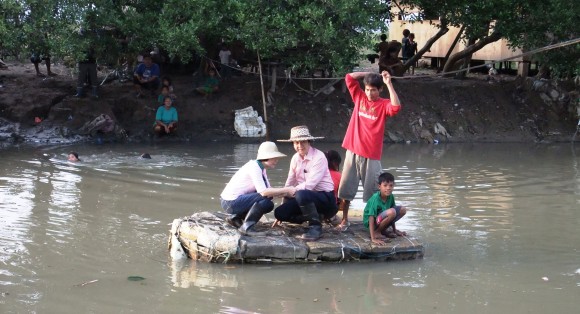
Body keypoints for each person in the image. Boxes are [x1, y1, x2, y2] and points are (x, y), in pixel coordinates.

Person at [336, 70, 401, 232]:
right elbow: (349, 77)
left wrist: (388, 82)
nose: (370, 93)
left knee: (374, 192)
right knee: (345, 190)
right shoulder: (359, 97)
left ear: (380, 90)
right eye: (367, 89)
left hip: (371, 155)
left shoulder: (383, 104)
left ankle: (379, 225)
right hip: (352, 150)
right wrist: (371, 73)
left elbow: (396, 107)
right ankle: (344, 220)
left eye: (373, 90)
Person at [274, 125, 338, 241]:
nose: (299, 146)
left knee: (301, 194)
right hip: (305, 198)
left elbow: (310, 185)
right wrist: (284, 201)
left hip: (325, 199)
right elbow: (290, 182)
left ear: (309, 142)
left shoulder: (319, 157)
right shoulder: (295, 158)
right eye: (296, 143)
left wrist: (289, 191)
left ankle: (315, 227)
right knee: (280, 213)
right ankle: (315, 217)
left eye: (303, 142)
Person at [220, 142, 294, 236]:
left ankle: (235, 218)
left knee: (268, 200)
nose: (276, 160)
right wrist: (286, 189)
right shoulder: (254, 167)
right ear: (266, 157)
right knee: (267, 202)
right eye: (274, 158)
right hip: (230, 202)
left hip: (231, 201)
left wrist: (286, 193)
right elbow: (264, 192)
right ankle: (246, 227)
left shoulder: (261, 168)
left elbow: (269, 189)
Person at [363, 172, 407, 245]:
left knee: (403, 210)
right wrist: (373, 238)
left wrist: (394, 230)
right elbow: (371, 217)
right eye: (385, 185)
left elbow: (394, 213)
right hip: (371, 223)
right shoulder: (375, 198)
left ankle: (382, 231)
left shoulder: (391, 196)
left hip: (380, 220)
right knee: (392, 212)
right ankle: (377, 232)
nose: (388, 188)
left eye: (391, 185)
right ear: (379, 186)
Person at [325, 150, 342, 226]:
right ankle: (331, 216)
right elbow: (342, 196)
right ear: (336, 163)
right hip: (329, 208)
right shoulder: (339, 175)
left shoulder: (315, 172)